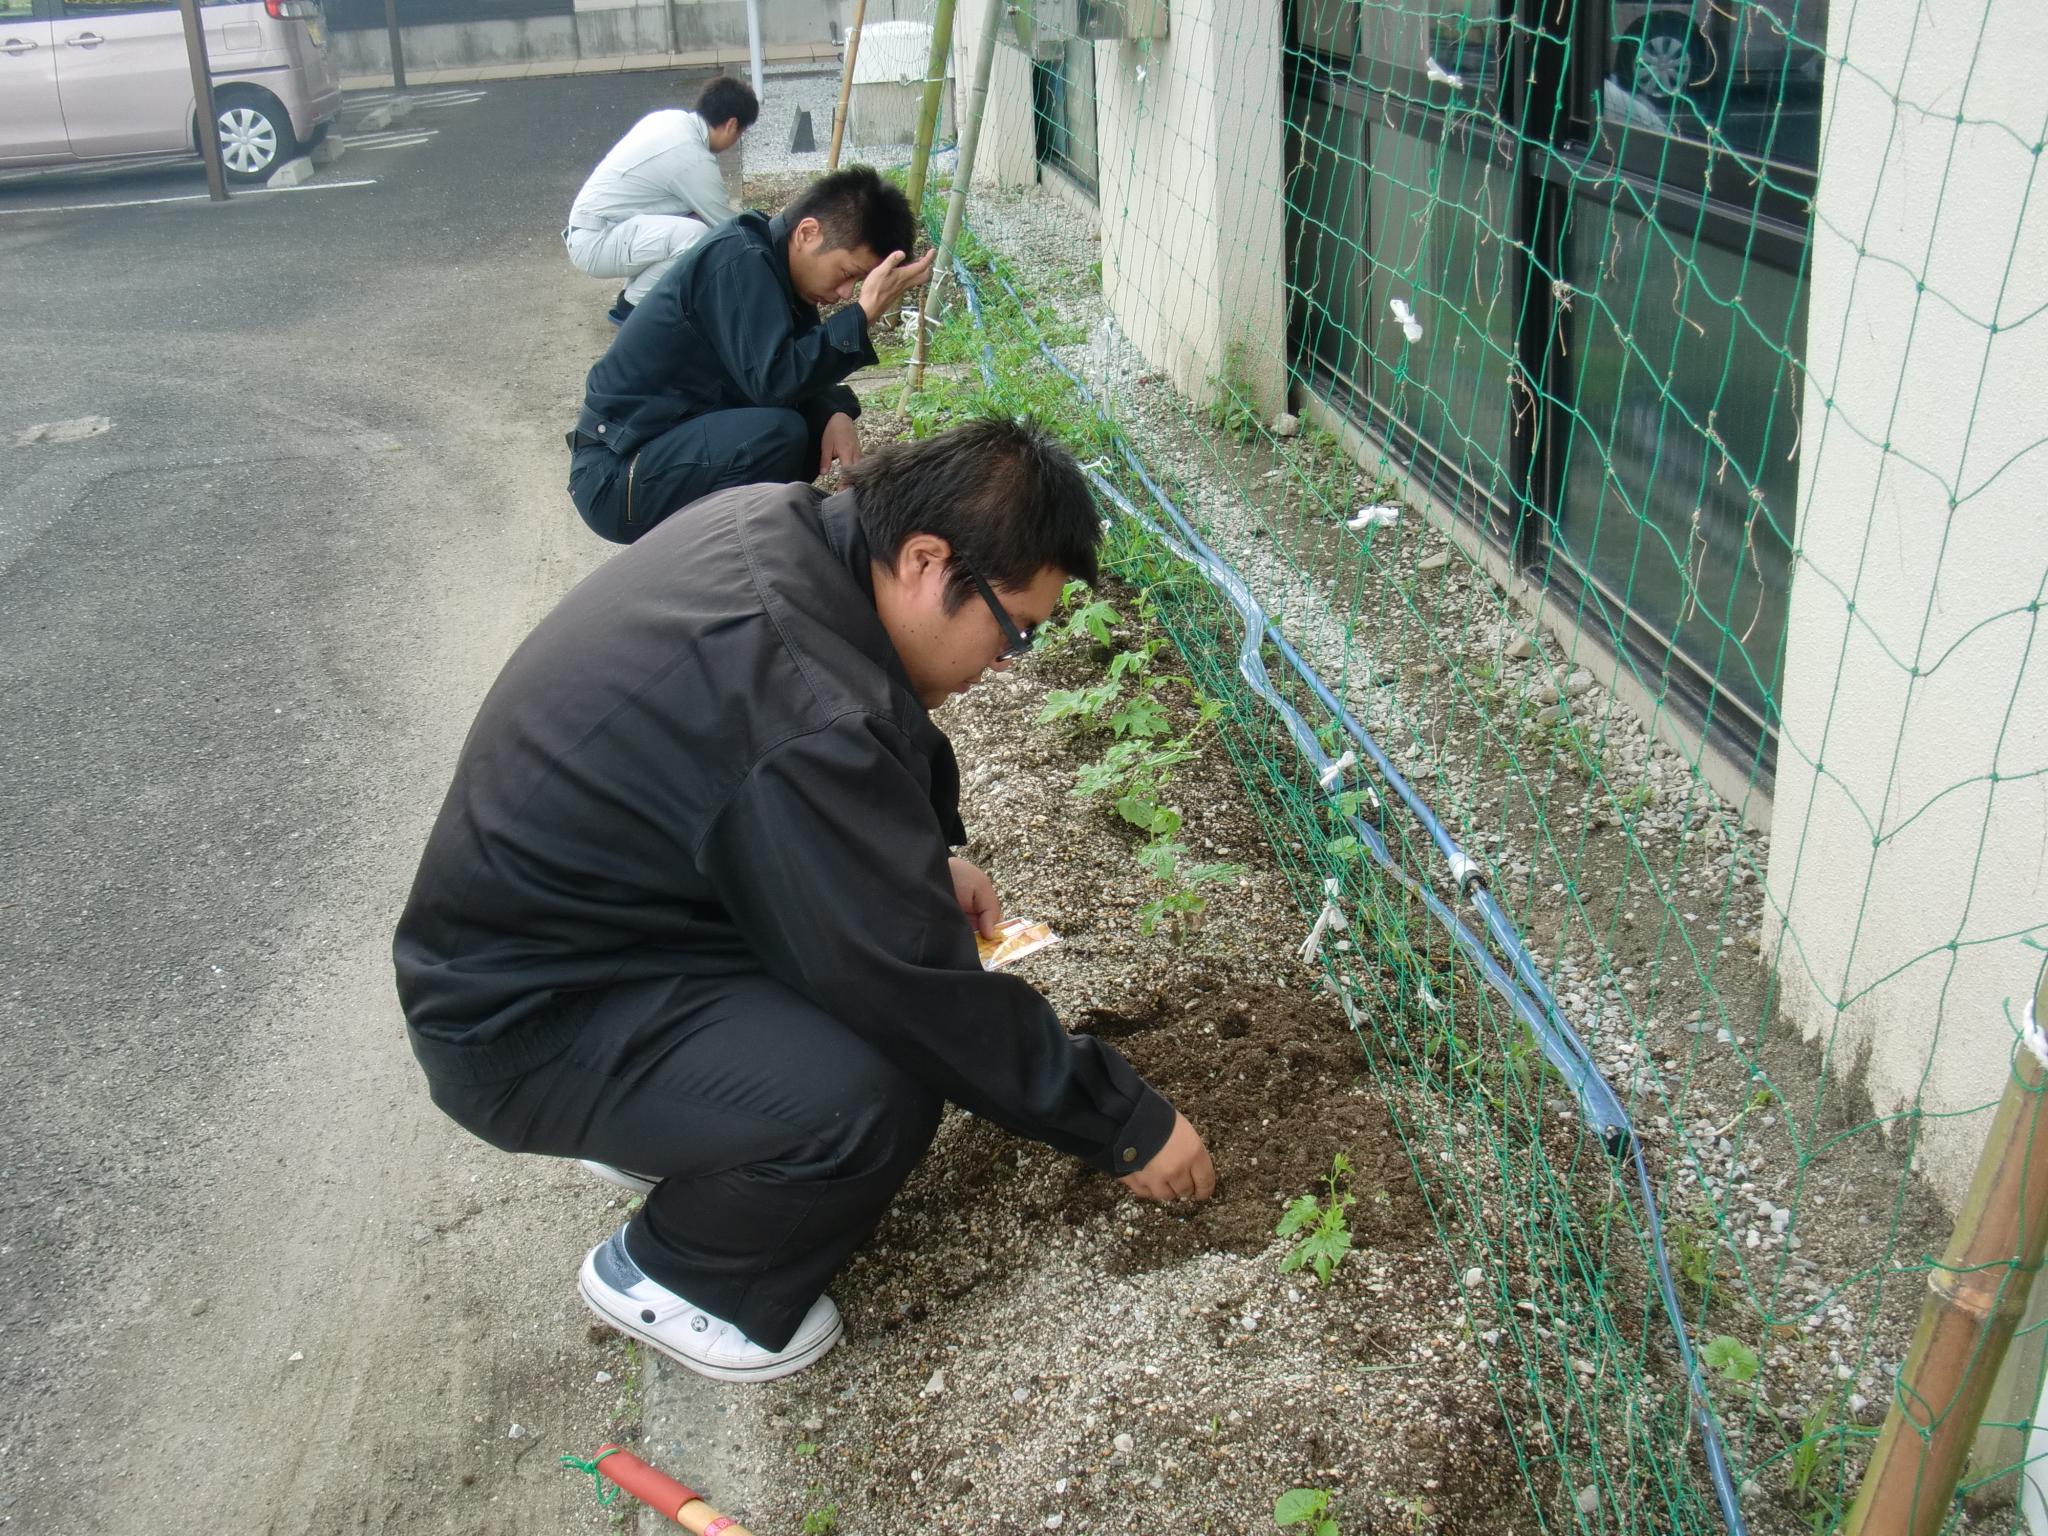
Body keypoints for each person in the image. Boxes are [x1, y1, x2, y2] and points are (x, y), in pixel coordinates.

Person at [393, 418, 1217, 1383]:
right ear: (924, 559)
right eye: (1015, 628)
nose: (1008, 659)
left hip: (584, 939)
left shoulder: (776, 527)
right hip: (519, 1025)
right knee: (869, 1092)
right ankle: (681, 1275)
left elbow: (761, 781)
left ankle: (680, 1122)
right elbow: (914, 991)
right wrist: (1121, 1121)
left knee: (855, 991)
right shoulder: (803, 701)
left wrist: (908, 860)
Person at [565, 165, 935, 544]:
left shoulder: (773, 272)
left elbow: (788, 371)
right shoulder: (738, 260)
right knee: (778, 435)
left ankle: (751, 549)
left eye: (857, 284)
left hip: (653, 457)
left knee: (800, 434)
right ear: (808, 233)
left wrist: (834, 410)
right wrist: (861, 316)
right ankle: (728, 562)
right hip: (615, 475)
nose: (846, 293)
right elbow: (774, 382)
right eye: (847, 273)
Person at [563, 75, 760, 327]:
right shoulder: (692, 156)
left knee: (692, 221)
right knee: (697, 235)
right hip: (595, 242)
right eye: (741, 133)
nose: (736, 141)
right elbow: (729, 226)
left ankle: (633, 295)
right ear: (732, 125)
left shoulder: (669, 119)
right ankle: (632, 307)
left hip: (594, 230)